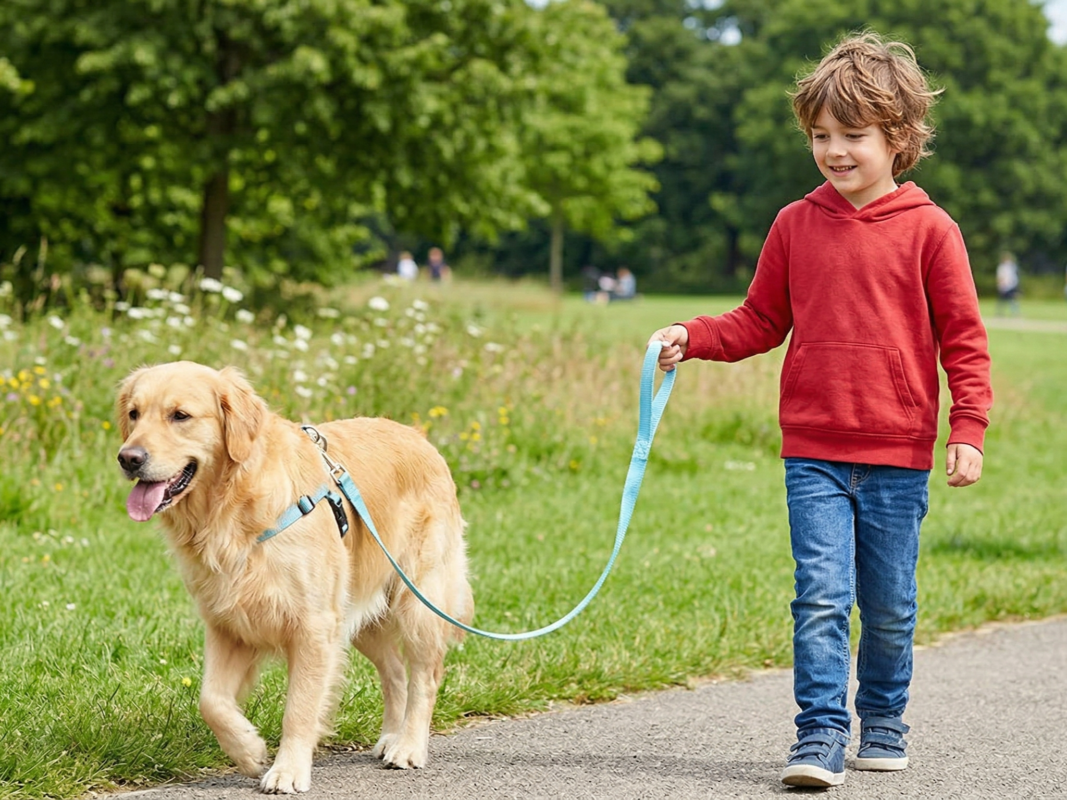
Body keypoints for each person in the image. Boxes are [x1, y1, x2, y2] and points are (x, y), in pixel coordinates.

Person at [647, 32, 992, 789]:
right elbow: (757, 322)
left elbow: (964, 341)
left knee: (890, 607)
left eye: (850, 136)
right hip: (812, 454)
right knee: (821, 599)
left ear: (897, 138)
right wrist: (690, 336)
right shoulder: (793, 225)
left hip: (897, 458)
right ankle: (818, 735)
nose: (833, 151)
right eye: (819, 137)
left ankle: (885, 721)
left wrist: (966, 428)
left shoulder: (932, 231)